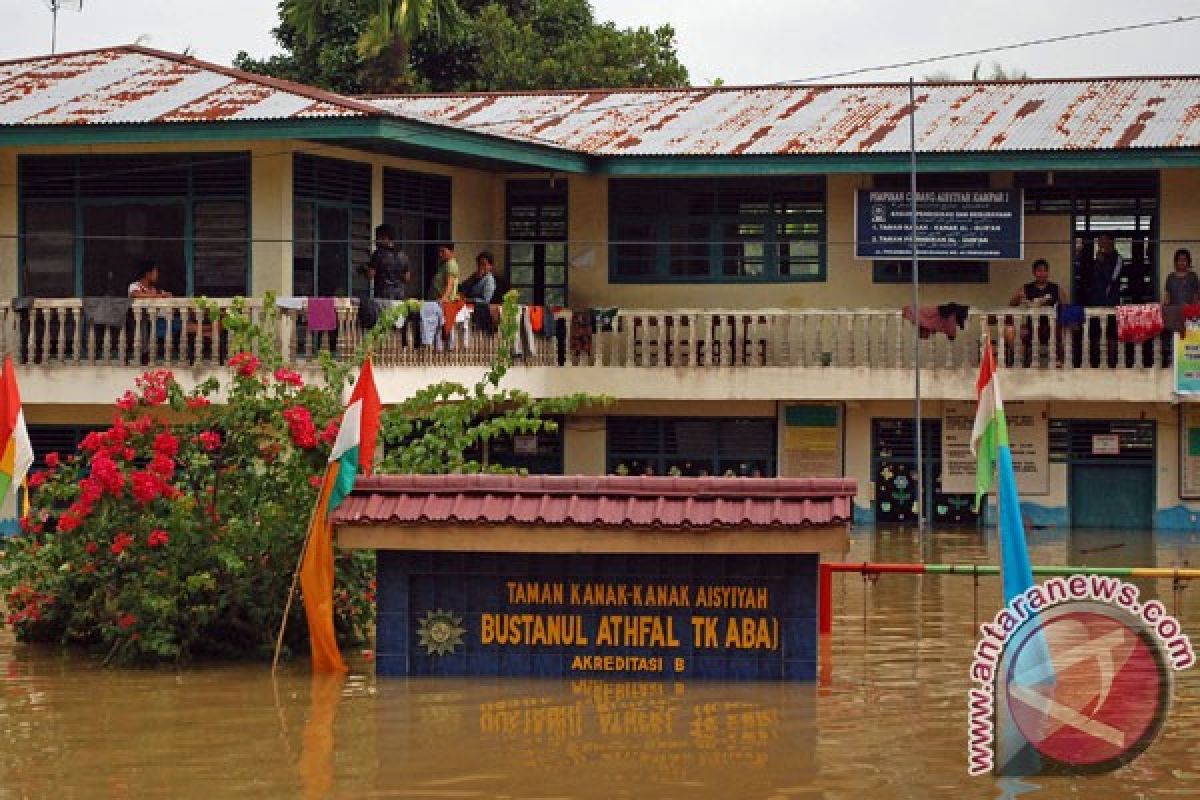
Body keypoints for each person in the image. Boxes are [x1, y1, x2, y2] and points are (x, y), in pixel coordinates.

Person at [1005, 259, 1063, 365]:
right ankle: (1021, 360)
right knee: (1010, 331)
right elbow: (1012, 303)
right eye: (1039, 271)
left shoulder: (1055, 288)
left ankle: (1060, 360)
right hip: (1031, 327)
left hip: (1051, 327)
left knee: (1063, 330)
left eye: (1045, 271)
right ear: (1034, 273)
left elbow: (1066, 305)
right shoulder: (1027, 288)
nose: (1042, 274)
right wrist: (1020, 297)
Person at [363, 224, 410, 300]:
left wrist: (364, 269)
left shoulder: (378, 254)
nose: (376, 241)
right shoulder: (403, 255)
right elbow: (407, 278)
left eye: (378, 238)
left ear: (385, 238)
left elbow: (370, 275)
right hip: (399, 297)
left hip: (383, 297)